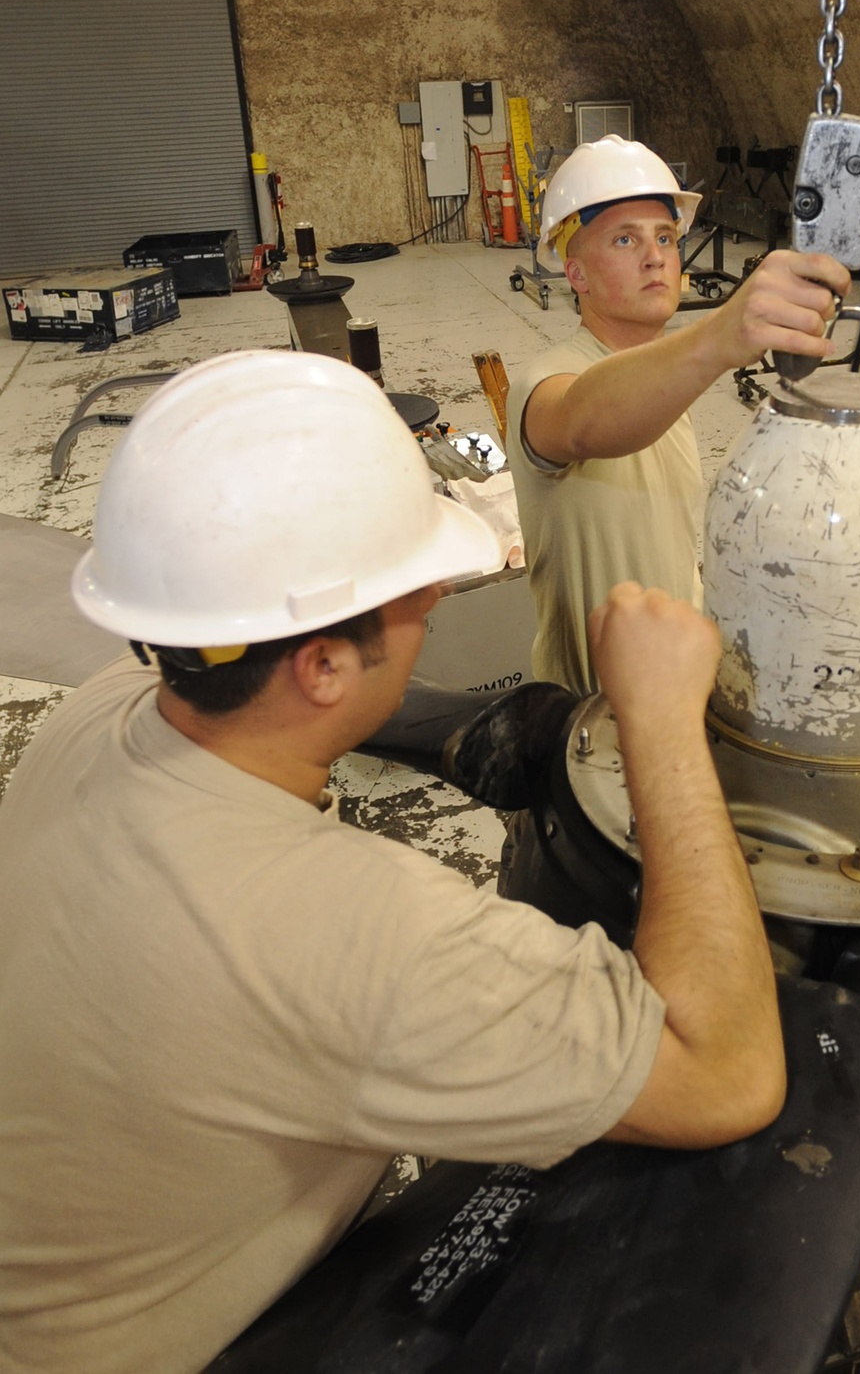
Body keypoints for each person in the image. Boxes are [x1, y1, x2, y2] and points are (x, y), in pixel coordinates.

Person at [0, 350, 784, 1374]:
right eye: (415, 589)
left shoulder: (100, 713)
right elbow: (729, 1076)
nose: (438, 602)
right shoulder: (357, 933)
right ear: (321, 665)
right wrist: (661, 725)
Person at [505, 134, 853, 696]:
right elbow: (581, 419)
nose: (655, 257)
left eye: (665, 237)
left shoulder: (664, 389)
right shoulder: (542, 385)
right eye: (624, 239)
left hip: (679, 689)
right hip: (592, 724)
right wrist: (718, 334)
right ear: (576, 274)